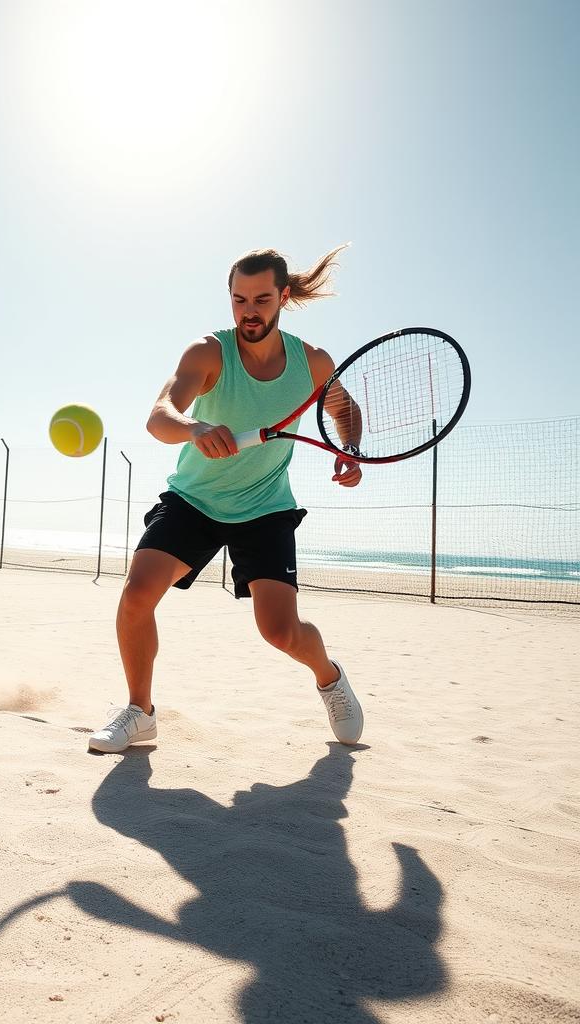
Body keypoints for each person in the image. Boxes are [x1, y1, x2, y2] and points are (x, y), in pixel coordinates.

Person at [89, 246, 364, 754]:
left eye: (261, 299)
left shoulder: (313, 362)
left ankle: (329, 678)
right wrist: (193, 427)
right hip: (194, 500)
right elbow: (160, 414)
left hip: (265, 507)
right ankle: (140, 712)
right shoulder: (208, 352)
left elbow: (346, 410)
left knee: (280, 631)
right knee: (136, 595)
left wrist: (349, 449)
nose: (249, 311)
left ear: (283, 296)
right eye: (239, 299)